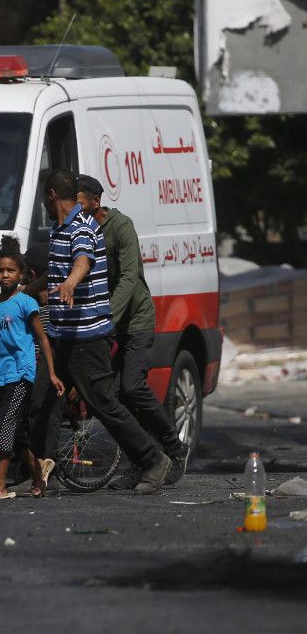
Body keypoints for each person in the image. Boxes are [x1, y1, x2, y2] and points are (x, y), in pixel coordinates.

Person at [39, 169, 171, 494]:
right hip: (63, 336)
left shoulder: (81, 228)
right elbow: (56, 273)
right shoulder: (59, 229)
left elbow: (82, 260)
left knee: (104, 404)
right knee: (48, 402)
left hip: (87, 337)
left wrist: (72, 281)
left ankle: (154, 459)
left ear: (52, 196)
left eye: (44, 196)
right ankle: (45, 471)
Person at [75, 174, 190, 488]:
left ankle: (174, 447)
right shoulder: (81, 232)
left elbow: (129, 277)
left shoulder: (120, 227)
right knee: (110, 397)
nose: (73, 208)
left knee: (132, 387)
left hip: (135, 319)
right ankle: (142, 461)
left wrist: (107, 316)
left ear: (95, 202)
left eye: (78, 201)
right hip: (107, 322)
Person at [0, 236, 63, 499]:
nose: (5, 275)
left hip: (20, 372)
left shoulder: (26, 302)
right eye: (0, 270)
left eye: (11, 270)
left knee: (7, 426)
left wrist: (51, 373)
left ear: (21, 274)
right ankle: (38, 473)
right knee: (7, 431)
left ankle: (0, 485)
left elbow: (42, 339)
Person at [9, 243, 65, 497]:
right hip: (30, 367)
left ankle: (43, 473)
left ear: (30, 277)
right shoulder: (48, 306)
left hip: (44, 369)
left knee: (37, 411)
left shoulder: (42, 309)